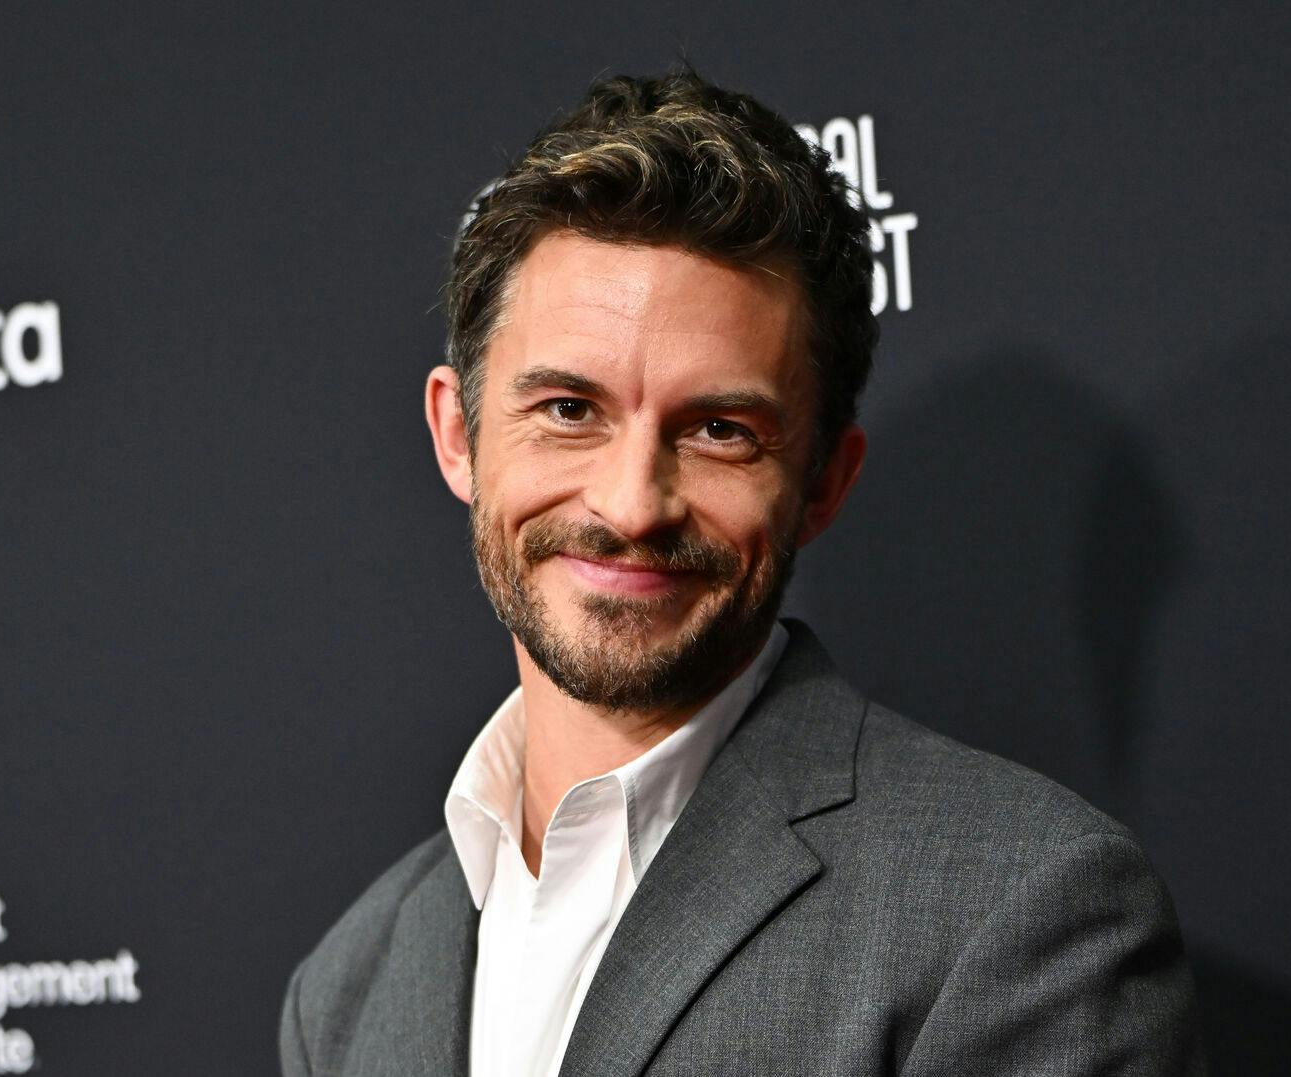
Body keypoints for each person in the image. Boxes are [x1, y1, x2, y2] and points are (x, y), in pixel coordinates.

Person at [278, 70, 1203, 1077]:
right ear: (458, 436)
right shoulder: (351, 987)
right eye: (568, 411)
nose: (632, 504)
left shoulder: (1019, 914)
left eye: (720, 431)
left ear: (822, 482)